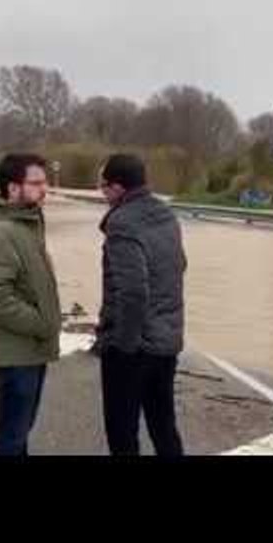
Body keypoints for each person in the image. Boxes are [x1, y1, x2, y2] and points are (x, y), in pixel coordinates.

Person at [95, 153, 186, 456]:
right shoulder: (165, 214)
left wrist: (123, 346)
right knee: (163, 425)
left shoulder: (121, 224)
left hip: (133, 349)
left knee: (122, 432)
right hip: (166, 341)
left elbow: (132, 293)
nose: (102, 192)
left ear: (119, 188)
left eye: (104, 186)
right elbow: (180, 265)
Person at [0, 153, 61, 455]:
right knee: (11, 438)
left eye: (44, 182)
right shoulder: (1, 233)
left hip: (29, 351)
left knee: (18, 435)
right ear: (12, 189)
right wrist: (42, 324)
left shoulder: (26, 224)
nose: (44, 189)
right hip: (15, 355)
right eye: (35, 183)